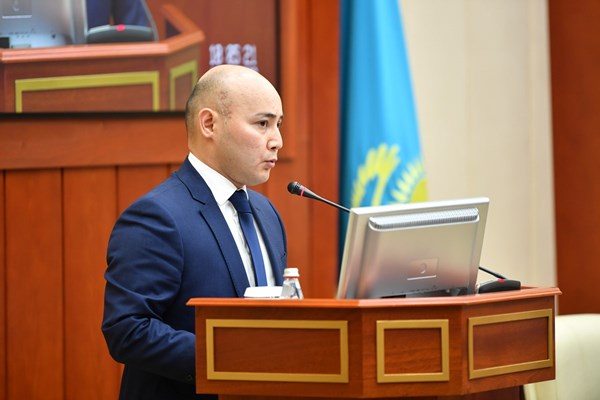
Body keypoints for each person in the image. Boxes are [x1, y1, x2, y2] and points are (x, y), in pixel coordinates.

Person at [101, 64, 287, 400]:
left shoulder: (266, 213)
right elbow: (127, 329)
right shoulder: (156, 216)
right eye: (263, 124)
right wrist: (231, 358)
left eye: (278, 125)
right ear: (209, 124)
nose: (277, 141)